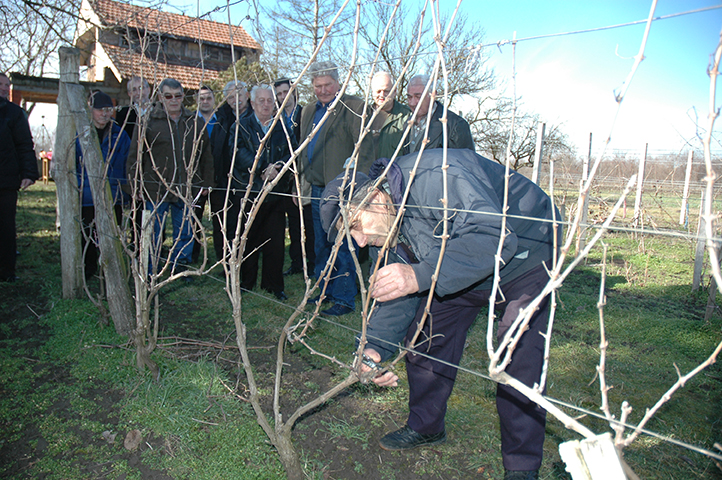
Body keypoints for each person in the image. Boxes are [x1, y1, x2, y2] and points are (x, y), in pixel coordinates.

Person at [319, 149, 561, 480]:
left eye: (357, 226)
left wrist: (419, 275)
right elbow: (397, 296)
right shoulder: (384, 228)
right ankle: (426, 425)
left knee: (518, 356)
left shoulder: (439, 173)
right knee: (426, 335)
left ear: (375, 197)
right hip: (455, 268)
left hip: (526, 255)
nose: (360, 242)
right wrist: (373, 348)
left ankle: (521, 466)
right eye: (351, 236)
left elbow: (493, 235)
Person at [299, 61, 374, 316]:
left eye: (327, 84)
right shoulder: (308, 110)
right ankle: (322, 290)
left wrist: (352, 187)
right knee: (320, 243)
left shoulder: (354, 107)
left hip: (342, 191)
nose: (323, 90)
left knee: (342, 245)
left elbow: (363, 150)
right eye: (318, 86)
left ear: (338, 83)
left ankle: (344, 298)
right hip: (316, 188)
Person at [126, 78, 213, 275]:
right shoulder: (147, 121)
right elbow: (135, 156)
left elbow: (206, 155)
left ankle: (179, 268)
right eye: (168, 96)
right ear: (160, 97)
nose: (173, 100)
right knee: (153, 232)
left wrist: (206, 182)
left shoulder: (195, 121)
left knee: (185, 232)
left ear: (183, 97)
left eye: (178, 96)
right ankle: (149, 269)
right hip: (154, 188)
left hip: (186, 187)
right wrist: (134, 186)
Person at [232, 84, 295, 301]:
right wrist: (260, 167)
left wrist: (277, 167)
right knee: (247, 240)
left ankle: (273, 285)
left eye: (270, 101)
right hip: (249, 193)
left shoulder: (283, 126)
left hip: (276, 194)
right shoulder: (242, 125)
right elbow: (238, 152)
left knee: (275, 243)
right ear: (252, 103)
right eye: (262, 101)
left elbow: (292, 152)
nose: (266, 105)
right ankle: (246, 283)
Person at [76, 91, 131, 279]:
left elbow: (127, 164)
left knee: (110, 236)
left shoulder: (119, 134)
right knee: (87, 236)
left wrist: (128, 191)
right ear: (90, 109)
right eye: (101, 110)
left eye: (109, 110)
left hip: (113, 195)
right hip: (87, 196)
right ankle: (88, 270)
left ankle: (110, 271)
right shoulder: (80, 133)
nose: (105, 114)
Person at [0, 72, 39, 282]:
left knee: (6, 227)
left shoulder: (15, 114)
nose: (5, 88)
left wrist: (29, 173)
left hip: (6, 181)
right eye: (1, 84)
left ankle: (7, 271)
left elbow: (25, 145)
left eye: (7, 85)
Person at [208, 81, 253, 262]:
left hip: (245, 180)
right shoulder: (220, 117)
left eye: (239, 95)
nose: (236, 100)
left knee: (242, 221)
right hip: (222, 179)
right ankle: (224, 259)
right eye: (231, 97)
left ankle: (243, 257)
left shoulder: (254, 116)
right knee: (222, 221)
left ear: (247, 96)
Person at [274, 77, 314, 276]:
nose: (283, 97)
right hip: (284, 179)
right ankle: (297, 262)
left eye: (286, 92)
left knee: (309, 223)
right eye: (279, 94)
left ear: (294, 91)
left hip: (304, 177)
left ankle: (313, 262)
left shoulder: (305, 113)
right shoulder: (277, 118)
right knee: (294, 227)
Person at [404, 74, 474, 154]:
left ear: (433, 95)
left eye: (418, 97)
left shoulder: (455, 125)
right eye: (409, 97)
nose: (412, 103)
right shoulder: (407, 124)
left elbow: (466, 163)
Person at [191, 85, 218, 263]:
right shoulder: (191, 122)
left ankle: (221, 256)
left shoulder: (222, 120)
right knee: (194, 219)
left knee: (219, 219)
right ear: (197, 101)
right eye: (202, 98)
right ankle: (192, 255)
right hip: (197, 178)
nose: (205, 101)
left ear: (214, 99)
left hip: (220, 178)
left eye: (208, 98)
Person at [369, 71, 411, 159]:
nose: (382, 95)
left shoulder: (407, 115)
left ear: (394, 91)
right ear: (372, 92)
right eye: (378, 91)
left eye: (386, 91)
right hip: (367, 171)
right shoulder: (364, 115)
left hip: (395, 170)